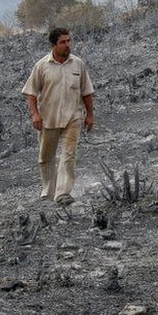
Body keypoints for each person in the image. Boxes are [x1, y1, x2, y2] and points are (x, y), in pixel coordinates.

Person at [21, 27, 95, 205]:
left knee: (69, 154)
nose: (67, 45)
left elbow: (87, 92)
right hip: (48, 118)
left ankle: (63, 193)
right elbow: (31, 93)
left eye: (69, 41)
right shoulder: (42, 66)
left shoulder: (78, 64)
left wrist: (90, 115)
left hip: (73, 117)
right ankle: (49, 192)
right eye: (63, 42)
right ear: (54, 44)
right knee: (46, 157)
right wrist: (35, 115)